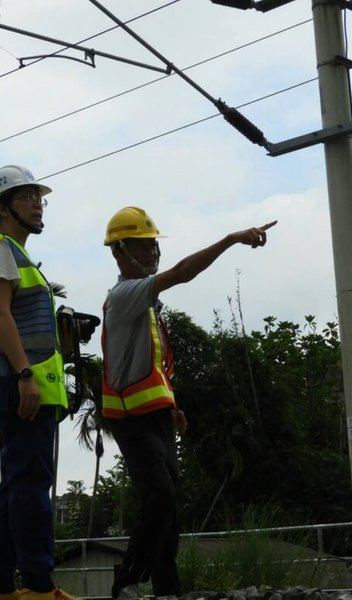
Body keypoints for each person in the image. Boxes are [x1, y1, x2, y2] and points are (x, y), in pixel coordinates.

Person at [101, 206, 276, 600]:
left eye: (154, 246)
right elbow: (181, 272)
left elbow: (152, 363)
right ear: (119, 252)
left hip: (156, 415)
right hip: (130, 418)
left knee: (169, 505)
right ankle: (126, 580)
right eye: (144, 248)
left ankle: (167, 588)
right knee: (159, 495)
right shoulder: (125, 295)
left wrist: (171, 405)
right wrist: (230, 239)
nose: (153, 254)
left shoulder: (148, 307)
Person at [0, 165, 75, 600]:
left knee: (15, 487)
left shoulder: (14, 254)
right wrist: (26, 375)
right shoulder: (3, 249)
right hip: (23, 387)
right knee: (30, 486)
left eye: (38, 197)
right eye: (27, 197)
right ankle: (39, 588)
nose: (37, 203)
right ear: (3, 208)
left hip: (26, 386)